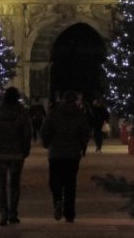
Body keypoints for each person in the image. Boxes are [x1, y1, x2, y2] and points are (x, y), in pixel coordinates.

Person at [41, 91, 90, 223]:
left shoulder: (54, 114)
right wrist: (81, 146)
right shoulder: (79, 115)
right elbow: (85, 133)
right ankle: (69, 213)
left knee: (55, 180)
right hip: (72, 154)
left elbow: (46, 129)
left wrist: (46, 143)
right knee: (70, 183)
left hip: (56, 152)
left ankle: (57, 200)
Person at [0, 87, 32, 226]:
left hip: (0, 154)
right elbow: (27, 134)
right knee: (14, 184)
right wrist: (25, 150)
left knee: (0, 184)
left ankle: (3, 214)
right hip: (17, 154)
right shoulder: (22, 113)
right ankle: (13, 213)